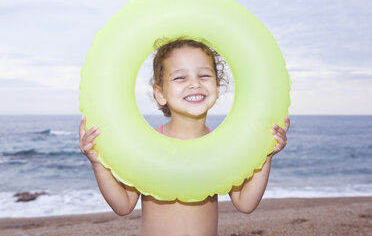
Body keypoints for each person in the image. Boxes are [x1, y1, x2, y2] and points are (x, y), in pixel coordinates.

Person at [79, 38, 290, 236]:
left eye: (204, 75)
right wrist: (98, 163)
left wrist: (266, 156)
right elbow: (123, 205)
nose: (195, 84)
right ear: (160, 93)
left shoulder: (222, 147)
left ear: (217, 85)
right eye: (180, 77)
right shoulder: (147, 146)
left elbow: (245, 204)